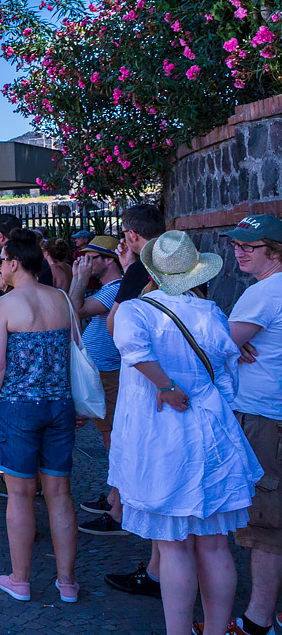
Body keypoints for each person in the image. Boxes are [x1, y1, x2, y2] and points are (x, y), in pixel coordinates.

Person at [110, 231, 261, 635]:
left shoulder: (135, 311)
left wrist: (165, 386)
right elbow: (227, 382)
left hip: (160, 435)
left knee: (174, 547)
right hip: (210, 430)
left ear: (155, 273)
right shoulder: (210, 312)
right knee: (214, 545)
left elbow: (132, 349)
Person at [0, 229, 79, 602]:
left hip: (19, 407)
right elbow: (73, 352)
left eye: (1, 261)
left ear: (14, 263)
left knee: (19, 495)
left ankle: (20, 579)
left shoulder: (2, 306)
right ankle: (67, 582)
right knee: (60, 494)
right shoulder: (61, 300)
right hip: (59, 403)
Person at [103, 202, 170, 598]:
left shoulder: (139, 271)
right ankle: (160, 568)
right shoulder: (187, 269)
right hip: (178, 391)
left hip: (152, 391)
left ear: (130, 235)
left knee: (153, 483)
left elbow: (116, 326)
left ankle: (160, 572)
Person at [223, 214, 282, 635]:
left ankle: (256, 622)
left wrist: (230, 345)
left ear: (276, 251)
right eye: (236, 243)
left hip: (264, 418)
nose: (238, 251)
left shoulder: (264, 294)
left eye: (250, 245)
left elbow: (217, 346)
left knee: (265, 525)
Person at [70, 235, 127, 533]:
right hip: (103, 372)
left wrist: (78, 279)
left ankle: (120, 506)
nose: (85, 262)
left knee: (113, 440)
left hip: (109, 374)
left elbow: (74, 308)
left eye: (91, 257)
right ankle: (115, 496)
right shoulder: (110, 290)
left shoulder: (114, 290)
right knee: (111, 439)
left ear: (109, 260)